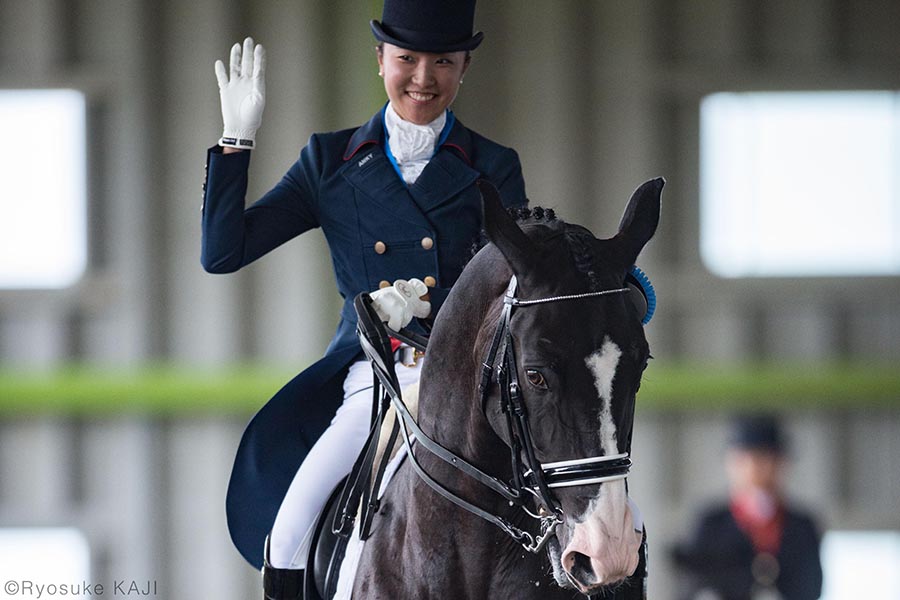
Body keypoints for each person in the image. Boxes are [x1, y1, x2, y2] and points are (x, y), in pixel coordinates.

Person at [200, 0, 527, 597]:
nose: (424, 79)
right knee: (289, 534)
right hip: (376, 380)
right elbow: (222, 253)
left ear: (463, 68)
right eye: (407, 59)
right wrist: (236, 141)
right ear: (380, 59)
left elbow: (518, 278)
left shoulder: (493, 167)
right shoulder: (330, 162)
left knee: (601, 515)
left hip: (468, 384)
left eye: (443, 63)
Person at [671, 414, 823, 600]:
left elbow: (810, 587)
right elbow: (692, 585)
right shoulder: (711, 523)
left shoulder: (802, 526)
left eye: (765, 460)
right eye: (745, 460)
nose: (756, 470)